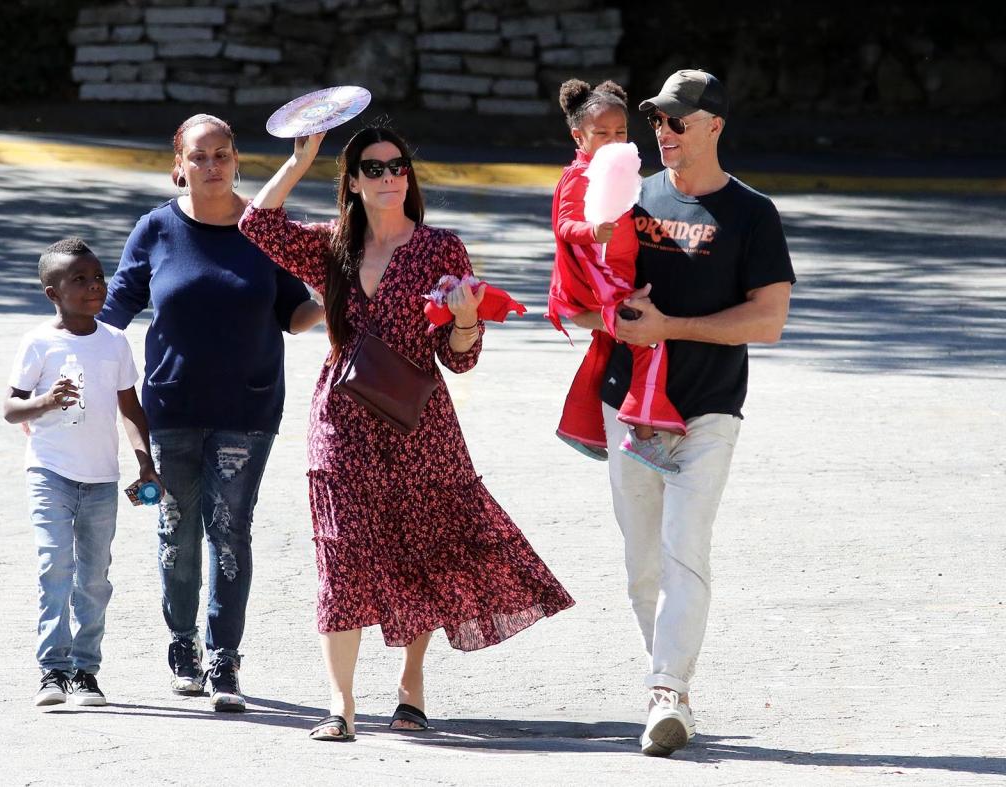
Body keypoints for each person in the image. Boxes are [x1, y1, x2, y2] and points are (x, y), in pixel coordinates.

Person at [239, 125, 575, 742]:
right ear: (353, 180)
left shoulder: (442, 248)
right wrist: (297, 160)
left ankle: (410, 686)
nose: (389, 177)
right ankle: (339, 705)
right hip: (341, 421)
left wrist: (468, 323)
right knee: (341, 556)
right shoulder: (331, 246)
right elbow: (255, 225)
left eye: (398, 167)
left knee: (418, 551)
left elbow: (460, 359)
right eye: (373, 168)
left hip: (419, 424)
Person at [570, 69, 795, 756]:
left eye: (677, 121)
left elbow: (769, 319)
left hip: (707, 409)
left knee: (683, 548)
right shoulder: (631, 199)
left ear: (714, 127)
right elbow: (585, 293)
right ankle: (671, 687)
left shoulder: (752, 214)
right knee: (642, 562)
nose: (662, 133)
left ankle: (667, 687)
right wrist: (596, 302)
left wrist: (668, 327)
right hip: (628, 406)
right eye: (657, 122)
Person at [98, 114, 324, 711]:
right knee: (177, 530)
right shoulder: (155, 229)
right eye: (200, 156)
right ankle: (183, 647)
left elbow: (294, 313)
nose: (212, 165)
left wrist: (334, 300)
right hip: (171, 406)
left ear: (238, 159)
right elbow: (116, 308)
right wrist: (67, 349)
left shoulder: (262, 230)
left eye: (223, 154)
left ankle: (225, 657)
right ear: (180, 165)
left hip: (247, 408)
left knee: (230, 532)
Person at [4, 237, 160, 708]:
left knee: (94, 578)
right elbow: (12, 408)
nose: (95, 286)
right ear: (53, 293)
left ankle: (85, 671)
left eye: (98, 277)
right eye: (79, 280)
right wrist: (46, 402)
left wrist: (145, 461)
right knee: (56, 567)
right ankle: (52, 669)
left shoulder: (114, 342)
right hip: (49, 472)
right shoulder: (38, 343)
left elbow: (130, 406)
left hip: (101, 478)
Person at [548, 78, 684, 474]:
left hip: (614, 276)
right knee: (650, 342)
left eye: (620, 132)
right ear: (579, 135)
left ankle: (584, 427)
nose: (613, 140)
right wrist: (592, 231)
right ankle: (642, 435)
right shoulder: (580, 175)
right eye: (601, 133)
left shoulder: (613, 171)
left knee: (615, 348)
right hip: (598, 282)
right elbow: (564, 225)